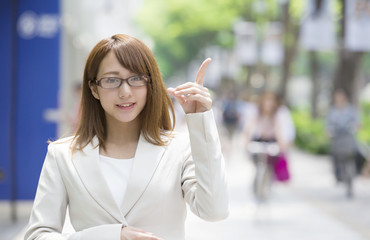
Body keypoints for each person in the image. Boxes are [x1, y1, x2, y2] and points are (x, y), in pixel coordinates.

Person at [24, 34, 229, 240]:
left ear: (150, 84)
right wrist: (111, 236)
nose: (125, 92)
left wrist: (200, 119)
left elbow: (214, 210)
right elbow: (38, 235)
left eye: (136, 78)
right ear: (94, 89)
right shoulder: (62, 155)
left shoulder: (179, 148)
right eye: (112, 80)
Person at [243, 92, 290, 199]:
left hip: (272, 142)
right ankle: (257, 185)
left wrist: (282, 143)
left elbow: (278, 131)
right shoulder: (257, 113)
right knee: (257, 163)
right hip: (259, 140)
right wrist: (247, 141)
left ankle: (268, 183)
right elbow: (249, 128)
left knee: (271, 163)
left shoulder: (276, 115)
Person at [326, 88, 359, 197]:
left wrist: (354, 127)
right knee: (337, 160)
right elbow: (328, 125)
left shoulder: (351, 109)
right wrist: (329, 132)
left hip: (348, 139)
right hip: (337, 139)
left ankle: (350, 184)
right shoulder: (332, 110)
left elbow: (357, 123)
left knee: (349, 162)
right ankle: (339, 177)